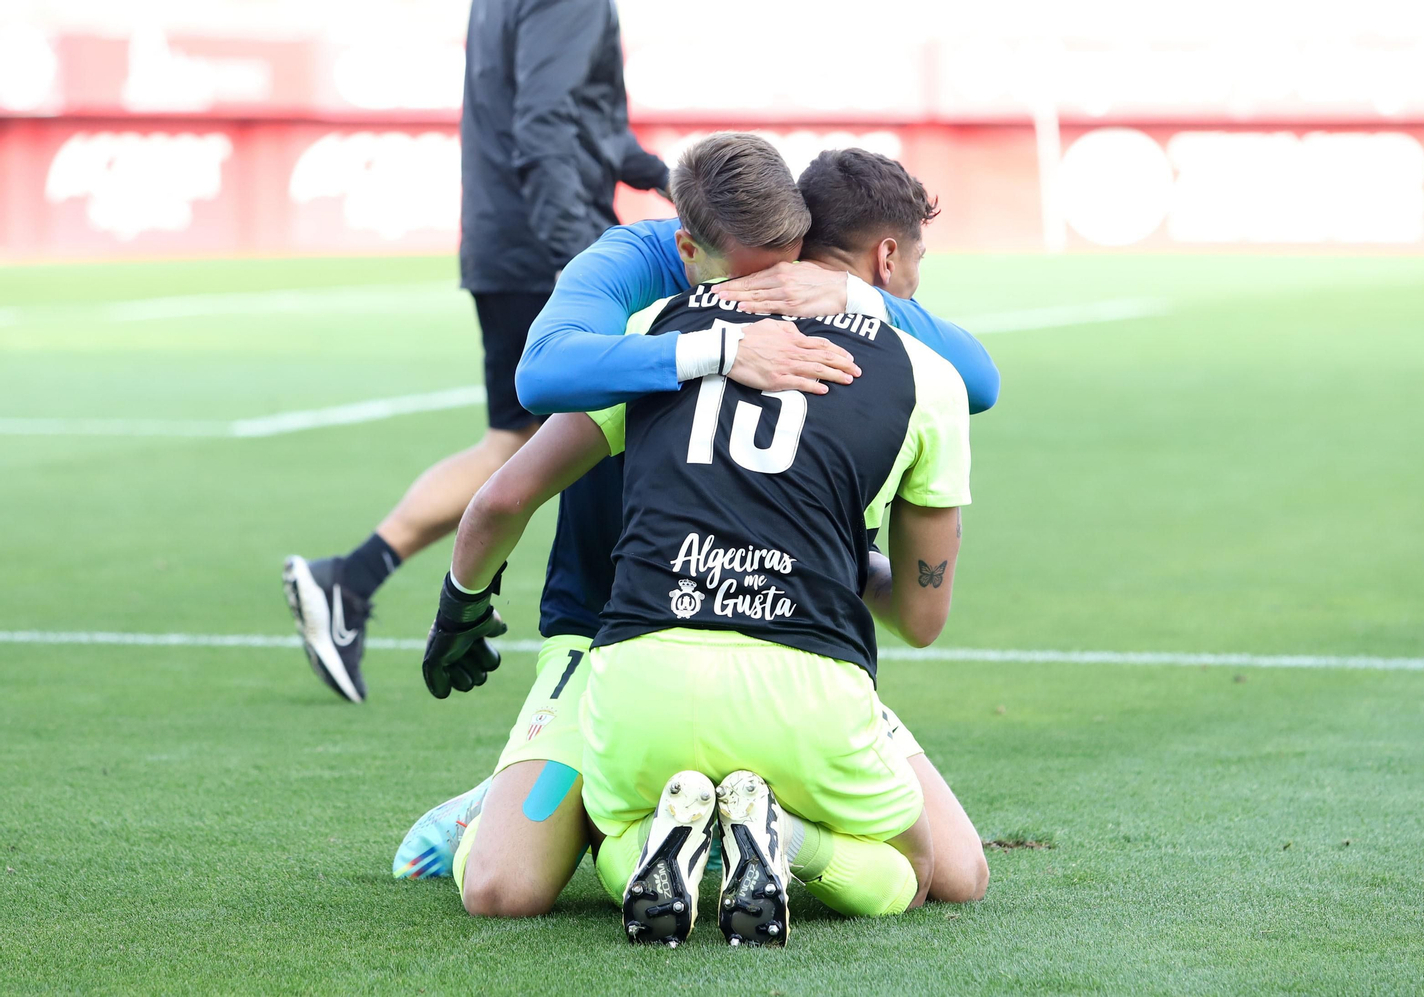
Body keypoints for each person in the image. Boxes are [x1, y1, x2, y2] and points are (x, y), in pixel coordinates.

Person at [407, 139, 984, 938]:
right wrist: (718, 348)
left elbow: (980, 375)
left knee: (959, 870)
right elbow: (537, 376)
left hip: (709, 652)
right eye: (754, 272)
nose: (770, 292)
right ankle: (503, 793)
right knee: (506, 884)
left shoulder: (843, 322)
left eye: (790, 267)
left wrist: (852, 297)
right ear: (689, 248)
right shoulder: (642, 290)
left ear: (811, 243)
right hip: (614, 624)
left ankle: (691, 832)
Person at [281, 0, 677, 703]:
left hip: (509, 241)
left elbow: (583, 122)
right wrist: (576, 263)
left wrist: (669, 178)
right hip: (543, 247)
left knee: (514, 441)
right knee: (600, 427)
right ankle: (610, 632)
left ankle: (352, 578)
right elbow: (546, 122)